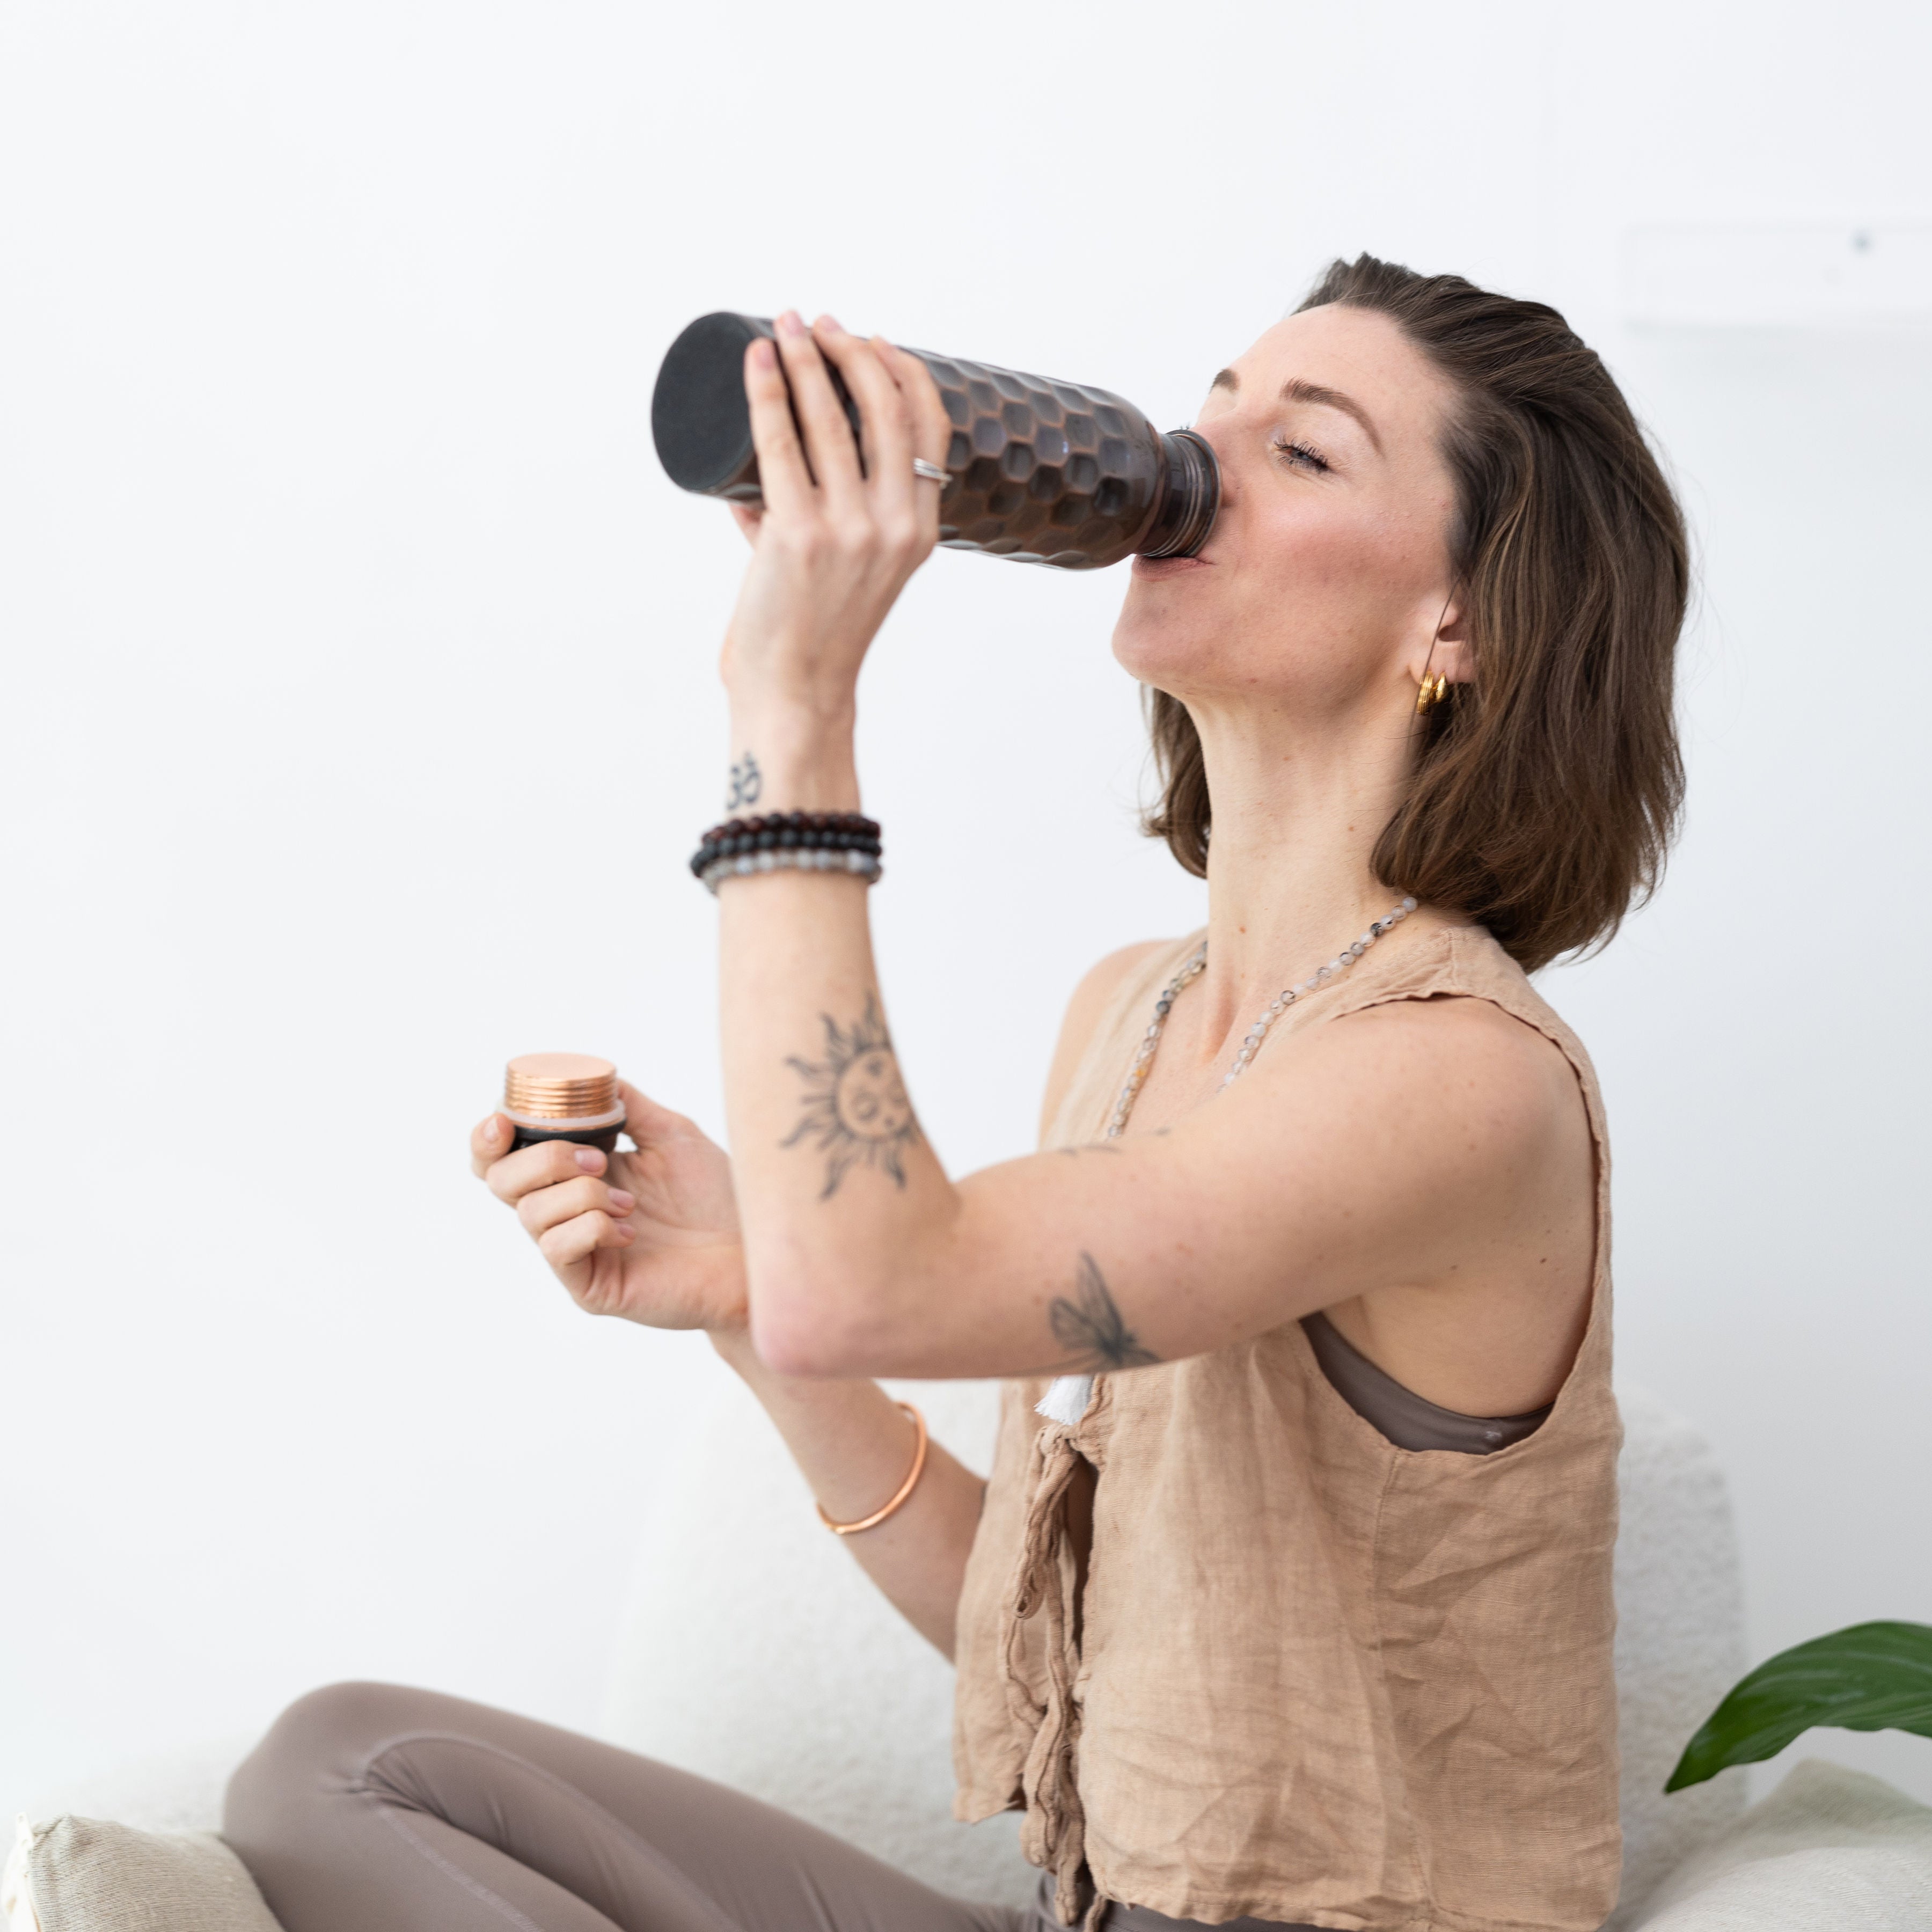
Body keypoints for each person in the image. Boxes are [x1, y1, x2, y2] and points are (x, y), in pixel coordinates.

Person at [225, 254, 1688, 1932]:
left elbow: (881, 1284)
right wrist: (744, 1295)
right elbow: (1055, 1630)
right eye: (1207, 409)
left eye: (1304, 450)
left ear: (1463, 619)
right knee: (343, 1766)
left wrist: (797, 700)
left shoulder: (1458, 1077)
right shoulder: (1127, 1015)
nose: (1192, 460)